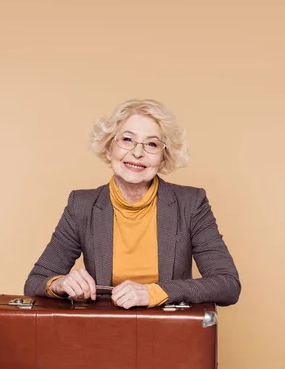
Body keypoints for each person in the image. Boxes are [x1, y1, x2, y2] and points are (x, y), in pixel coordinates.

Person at [24, 99, 240, 309]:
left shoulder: (191, 204)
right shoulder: (81, 205)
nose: (137, 153)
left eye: (152, 144)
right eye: (127, 140)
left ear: (163, 158)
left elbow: (228, 285)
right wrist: (61, 284)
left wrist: (154, 293)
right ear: (108, 149)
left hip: (171, 335)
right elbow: (35, 282)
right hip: (103, 333)